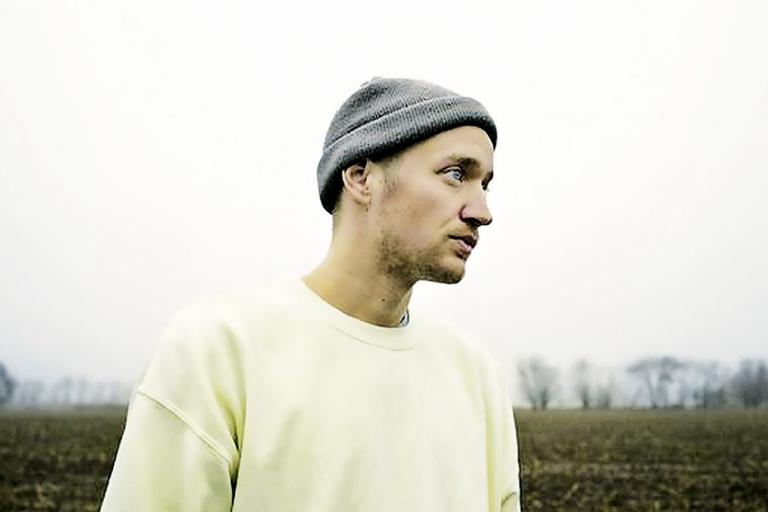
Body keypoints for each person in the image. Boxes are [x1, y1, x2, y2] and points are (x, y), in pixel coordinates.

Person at [101, 77, 521, 511]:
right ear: (361, 177)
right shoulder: (220, 350)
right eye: (456, 174)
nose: (482, 212)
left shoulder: (475, 376)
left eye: (485, 184)